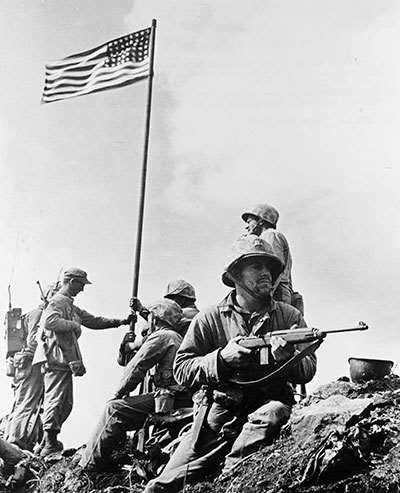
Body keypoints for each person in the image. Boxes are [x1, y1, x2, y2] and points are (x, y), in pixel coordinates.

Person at [144, 235, 317, 492]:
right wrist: (221, 359)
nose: (266, 273)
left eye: (269, 267)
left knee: (271, 415)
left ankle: (227, 477)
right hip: (218, 418)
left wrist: (288, 359)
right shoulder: (210, 318)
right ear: (235, 274)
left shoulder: (289, 316)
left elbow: (308, 371)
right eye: (256, 266)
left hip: (267, 412)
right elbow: (182, 369)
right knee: (158, 488)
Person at [79, 299, 192, 471]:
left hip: (172, 399)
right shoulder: (175, 336)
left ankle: (88, 465)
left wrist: (118, 393)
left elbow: (137, 367)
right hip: (180, 398)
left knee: (114, 409)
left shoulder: (162, 336)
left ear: (155, 319)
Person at [34, 268, 132, 457]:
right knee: (56, 401)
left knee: (65, 403)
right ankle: (48, 443)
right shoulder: (58, 302)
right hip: (56, 360)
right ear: (71, 281)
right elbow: (50, 322)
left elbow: (93, 320)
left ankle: (48, 441)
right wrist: (73, 325)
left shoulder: (69, 304)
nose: (82, 289)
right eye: (81, 284)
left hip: (63, 362)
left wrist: (120, 322)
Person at [6, 282, 60, 451]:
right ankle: (15, 440)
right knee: (27, 403)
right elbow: (33, 342)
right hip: (30, 363)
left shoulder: (35, 314)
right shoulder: (39, 314)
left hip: (28, 364)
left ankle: (31, 439)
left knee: (32, 403)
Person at [242, 203, 293, 305]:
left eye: (249, 222)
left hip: (276, 292)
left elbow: (275, 268)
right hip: (275, 291)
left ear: (260, 221)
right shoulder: (267, 236)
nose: (246, 227)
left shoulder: (270, 235)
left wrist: (266, 297)